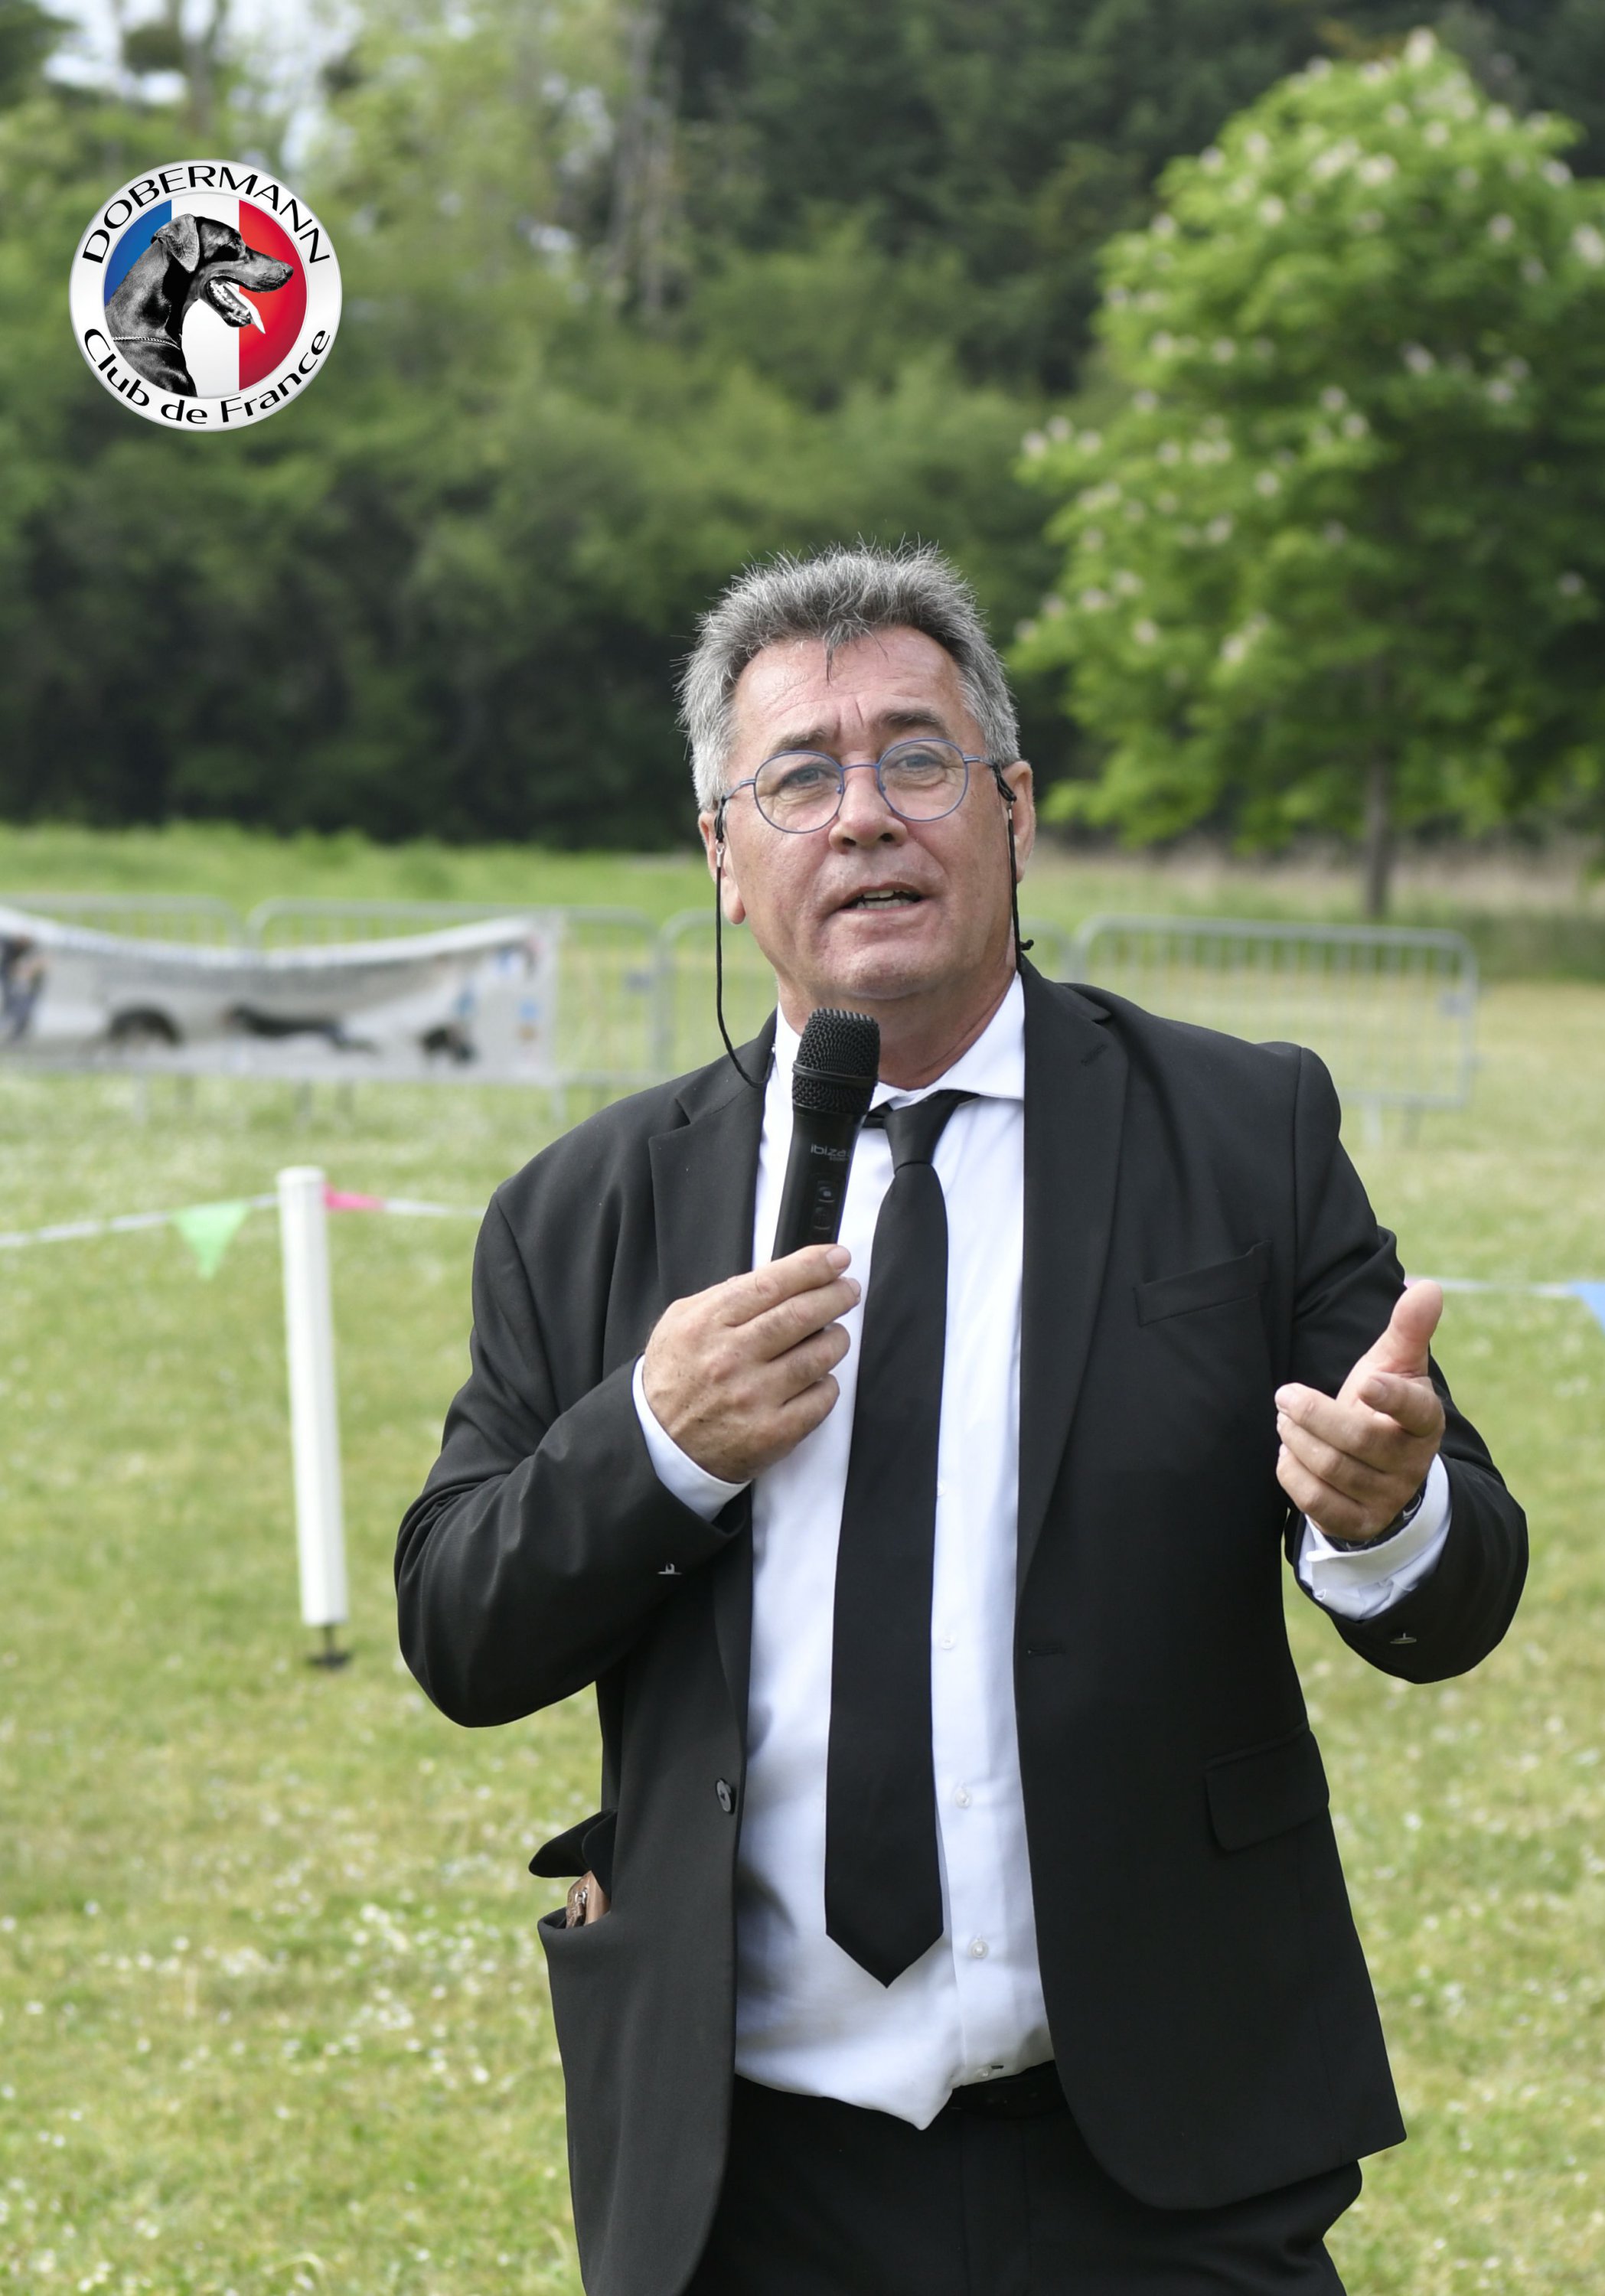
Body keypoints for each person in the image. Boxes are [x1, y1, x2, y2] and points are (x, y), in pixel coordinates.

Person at [396, 543, 1525, 2296]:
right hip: (744, 2177)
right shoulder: (584, 1209)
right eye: (798, 777)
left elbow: (1456, 1587)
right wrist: (656, 1440)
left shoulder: (1241, 1133)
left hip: (1162, 2150)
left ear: (1013, 809)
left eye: (915, 758)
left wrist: (1383, 1515)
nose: (863, 814)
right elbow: (459, 1629)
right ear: (722, 858)